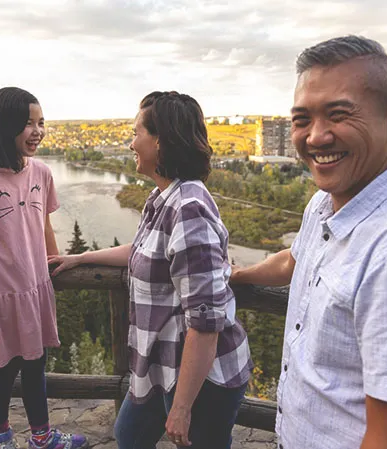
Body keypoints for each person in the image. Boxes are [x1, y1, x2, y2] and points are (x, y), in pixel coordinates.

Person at [231, 36, 387, 449]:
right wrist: (239, 274)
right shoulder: (325, 205)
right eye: (301, 119)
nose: (316, 137)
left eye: (339, 114)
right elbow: (298, 260)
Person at [48, 91, 253, 449]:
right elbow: (145, 250)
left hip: (202, 379)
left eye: (136, 133)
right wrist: (81, 258)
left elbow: (206, 322)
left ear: (161, 141)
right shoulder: (162, 198)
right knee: (129, 435)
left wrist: (182, 407)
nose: (131, 143)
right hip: (160, 366)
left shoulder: (190, 209)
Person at [0, 87, 88, 449]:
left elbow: (43, 224)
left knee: (36, 360)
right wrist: (0, 260)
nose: (37, 131)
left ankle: (41, 436)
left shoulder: (41, 173)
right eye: (27, 123)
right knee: (6, 364)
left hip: (34, 282)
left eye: (41, 122)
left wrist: (53, 261)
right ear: (3, 126)